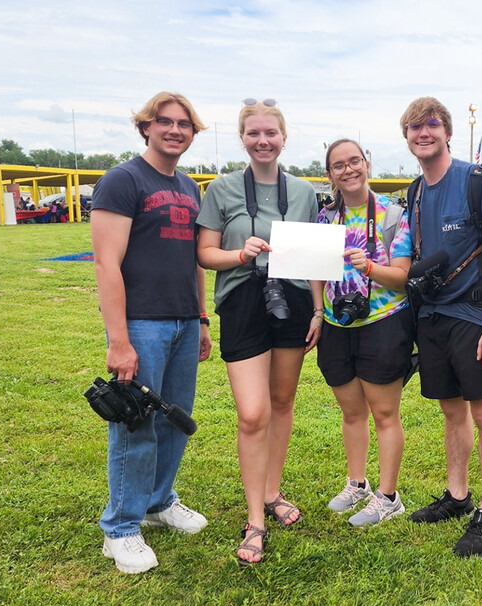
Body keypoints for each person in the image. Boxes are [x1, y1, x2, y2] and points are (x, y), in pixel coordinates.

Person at [196, 98, 323, 566]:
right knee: (253, 413)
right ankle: (255, 519)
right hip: (244, 299)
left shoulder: (304, 192)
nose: (263, 140)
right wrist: (239, 255)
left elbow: (313, 258)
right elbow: (205, 253)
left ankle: (272, 491)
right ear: (242, 138)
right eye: (254, 133)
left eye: (271, 133)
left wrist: (316, 309)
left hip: (291, 301)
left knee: (283, 401)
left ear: (284, 138)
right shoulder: (223, 189)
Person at [90, 91, 212, 574]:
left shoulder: (189, 186)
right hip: (142, 322)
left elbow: (195, 262)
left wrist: (201, 319)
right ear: (146, 127)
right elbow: (106, 263)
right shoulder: (122, 180)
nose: (175, 130)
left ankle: (159, 502)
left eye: (184, 124)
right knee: (134, 422)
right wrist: (119, 340)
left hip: (184, 321)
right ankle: (120, 528)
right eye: (165, 122)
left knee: (172, 419)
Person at [399, 97, 482, 558]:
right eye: (413, 127)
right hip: (432, 316)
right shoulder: (415, 191)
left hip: (474, 316)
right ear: (406, 138)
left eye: (430, 124)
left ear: (447, 131)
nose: (422, 133)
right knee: (452, 411)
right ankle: (457, 495)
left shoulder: (478, 181)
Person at [316, 138, 414, 527]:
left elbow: (404, 278)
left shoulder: (393, 215)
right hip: (337, 324)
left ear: (367, 163)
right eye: (338, 165)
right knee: (351, 411)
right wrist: (315, 312)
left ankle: (388, 497)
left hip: (383, 321)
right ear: (330, 175)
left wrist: (369, 267)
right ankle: (357, 483)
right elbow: (317, 272)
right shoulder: (325, 218)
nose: (348, 169)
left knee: (385, 412)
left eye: (354, 161)